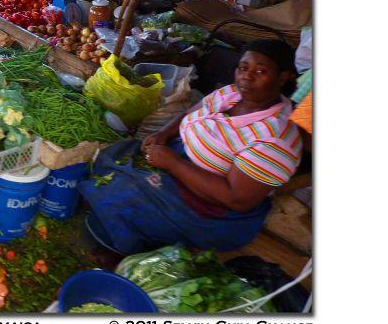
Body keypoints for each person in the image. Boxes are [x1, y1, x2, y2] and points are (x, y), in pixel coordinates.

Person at [80, 39, 303, 254]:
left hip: (209, 207)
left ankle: (122, 245)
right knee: (116, 153)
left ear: (283, 77)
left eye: (260, 71)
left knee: (124, 195)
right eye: (243, 68)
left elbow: (237, 199)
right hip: (177, 157)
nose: (246, 76)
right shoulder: (232, 94)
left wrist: (172, 163)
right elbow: (192, 113)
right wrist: (164, 133)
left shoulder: (275, 139)